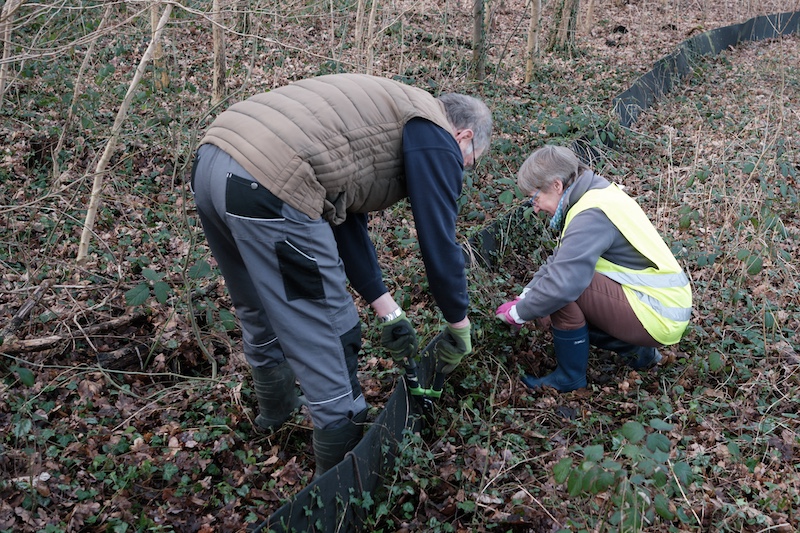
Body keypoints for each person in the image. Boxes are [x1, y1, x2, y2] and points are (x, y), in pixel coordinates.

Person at [191, 73, 492, 477]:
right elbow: (438, 241)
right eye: (468, 162)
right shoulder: (435, 133)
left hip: (216, 162)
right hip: (272, 182)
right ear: (464, 136)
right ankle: (342, 473)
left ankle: (275, 415)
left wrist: (388, 310)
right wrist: (459, 320)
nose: (462, 170)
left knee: (259, 304)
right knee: (331, 329)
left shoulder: (390, 110)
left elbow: (342, 215)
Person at [495, 145, 691, 392]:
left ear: (556, 185)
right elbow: (559, 260)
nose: (535, 207)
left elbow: (563, 283)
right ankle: (638, 352)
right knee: (554, 290)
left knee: (564, 291)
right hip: (665, 305)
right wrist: (525, 298)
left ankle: (569, 378)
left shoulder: (590, 215)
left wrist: (520, 313)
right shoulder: (596, 194)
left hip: (658, 313)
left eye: (535, 198)